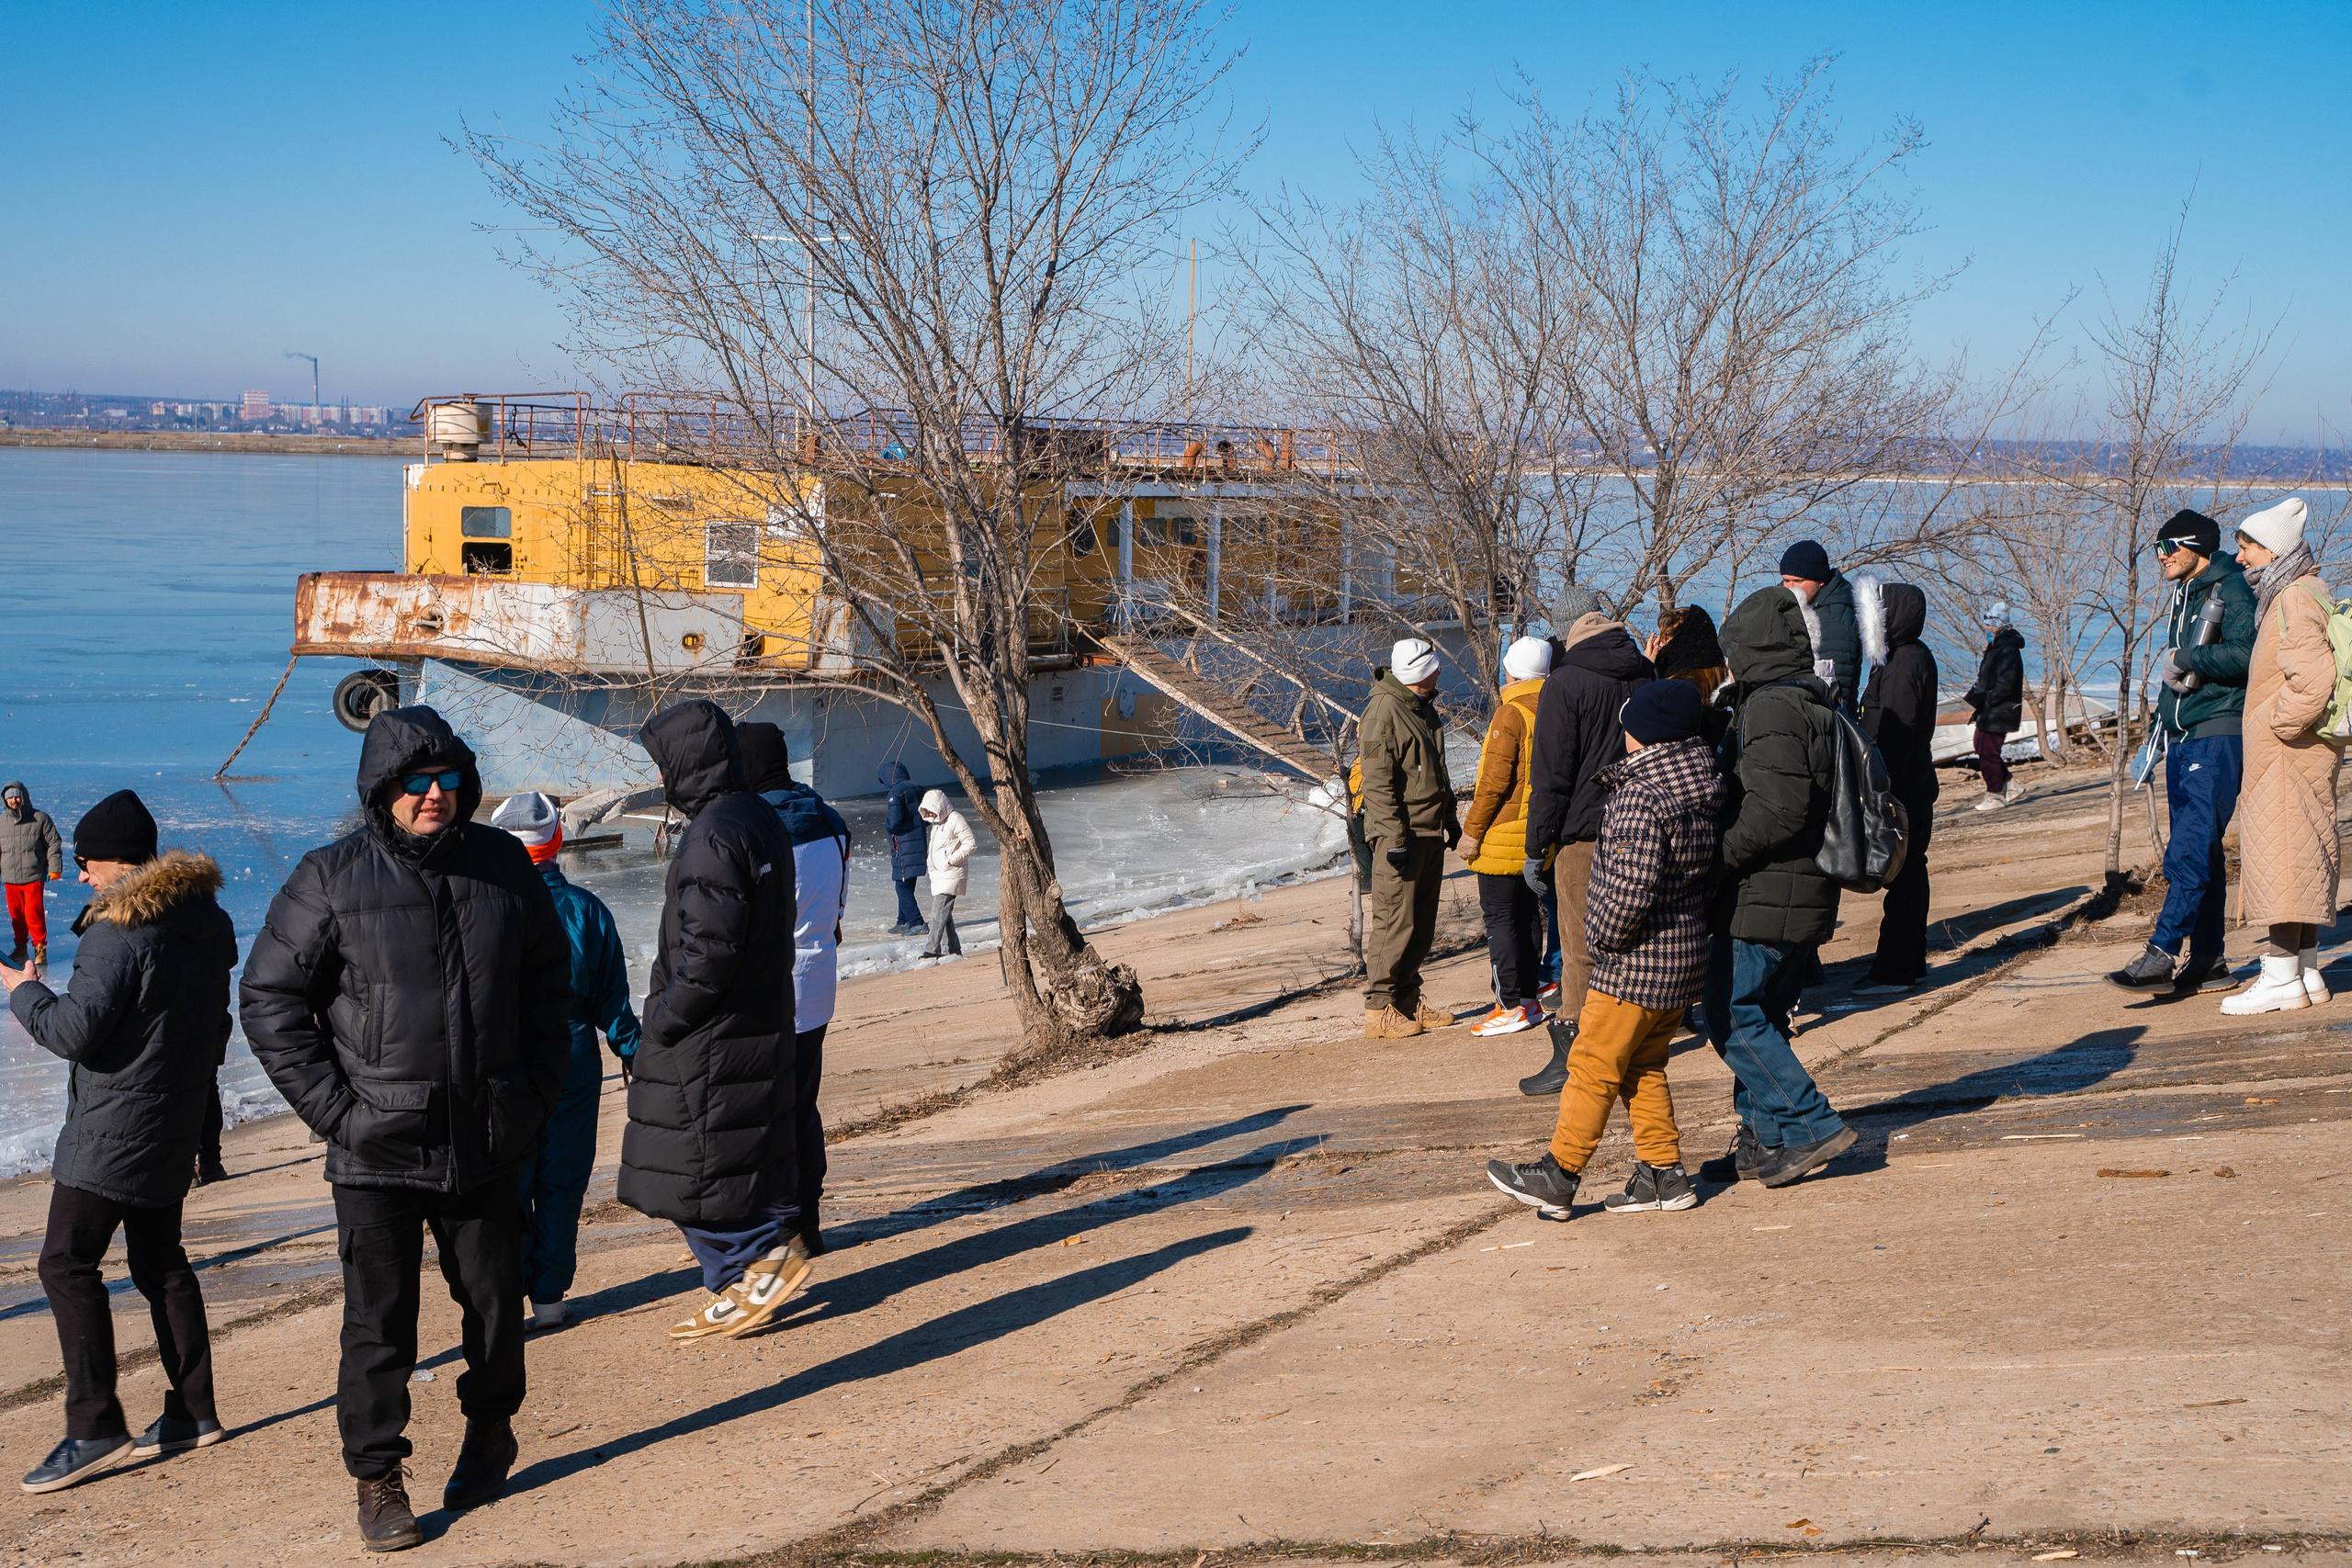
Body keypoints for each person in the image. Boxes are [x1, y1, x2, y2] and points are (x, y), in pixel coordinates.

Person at [240, 705, 572, 1551]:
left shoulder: (502, 865)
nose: (434, 795)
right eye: (416, 783)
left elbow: (547, 983)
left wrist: (531, 1091)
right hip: (376, 1151)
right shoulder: (330, 878)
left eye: (448, 779)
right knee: (379, 1323)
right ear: (381, 791)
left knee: (497, 1311)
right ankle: (378, 1477)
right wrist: (339, 1113)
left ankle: (491, 1429)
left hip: (488, 1140)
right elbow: (269, 998)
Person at [1, 791, 235, 1495]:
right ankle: (195, 1410)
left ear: (119, 861)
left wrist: (23, 991)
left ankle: (95, 1424)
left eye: (86, 863)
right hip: (173, 1119)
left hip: (115, 1129)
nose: (80, 877)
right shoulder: (205, 920)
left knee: (65, 1263)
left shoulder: (118, 931)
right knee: (161, 1262)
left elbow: (74, 1033)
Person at [1487, 681, 1726, 1218]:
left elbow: (1629, 889)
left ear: (1646, 734)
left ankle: (1559, 1172)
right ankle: (1663, 1176)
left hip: (1636, 962)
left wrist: (1602, 940)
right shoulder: (1701, 781)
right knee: (1643, 1066)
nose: (1622, 736)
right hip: (1683, 954)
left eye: (1627, 727)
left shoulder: (1642, 794)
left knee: (1592, 1065)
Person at [622, 700, 813, 1343]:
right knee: (728, 1151)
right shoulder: (755, 816)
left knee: (683, 1159)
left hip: (711, 1026)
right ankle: (740, 1274)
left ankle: (753, 1260)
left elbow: (709, 951)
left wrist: (664, 1016)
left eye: (663, 763)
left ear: (684, 763)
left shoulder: (712, 833)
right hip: (757, 1012)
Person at [1692, 587, 1857, 1190]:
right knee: (1758, 1013)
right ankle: (1765, 1137)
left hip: (1767, 892)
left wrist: (1715, 859)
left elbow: (1778, 810)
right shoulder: (1810, 700)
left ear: (1751, 648)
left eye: (1732, 652)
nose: (1728, 664)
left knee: (1729, 1014)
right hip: (1799, 888)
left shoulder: (1772, 708)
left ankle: (1811, 1124)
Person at [487, 791, 639, 1334]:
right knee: (562, 1180)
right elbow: (613, 1003)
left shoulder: (484, 911)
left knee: (510, 1182)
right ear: (556, 842)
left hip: (503, 1062)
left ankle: (504, 1297)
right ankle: (548, 1299)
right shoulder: (588, 910)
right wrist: (633, 1051)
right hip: (573, 1057)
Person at [2108, 510, 2256, 996]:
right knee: (2205, 854)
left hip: (2217, 736)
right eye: (2156, 549)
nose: (2161, 558)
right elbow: (2175, 686)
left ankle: (2163, 951)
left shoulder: (2229, 588)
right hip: (2184, 736)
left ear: (2196, 547)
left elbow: (2244, 655)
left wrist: (2183, 658)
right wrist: (2156, 733)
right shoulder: (2187, 593)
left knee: (2190, 848)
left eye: (2168, 548)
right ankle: (2210, 960)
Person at [1521, 605, 1654, 1083]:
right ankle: (1636, 1037)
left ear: (1572, 642)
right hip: (1646, 824)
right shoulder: (1647, 672)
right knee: (1639, 936)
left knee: (1580, 943)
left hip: (1586, 831)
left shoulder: (1566, 682)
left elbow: (1552, 774)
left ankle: (1576, 1056)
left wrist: (1537, 846)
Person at [2217, 499, 2339, 1016]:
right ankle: (2306, 971)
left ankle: (2280, 976)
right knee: (2302, 855)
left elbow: (2313, 681)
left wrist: (2276, 725)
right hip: (2298, 754)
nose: (2240, 557)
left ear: (2276, 550)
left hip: (2288, 753)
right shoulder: (2306, 589)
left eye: (2248, 547)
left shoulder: (2291, 596)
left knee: (2284, 859)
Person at [741, 723, 850, 1254]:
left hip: (768, 989)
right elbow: (838, 911)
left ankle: (779, 1226)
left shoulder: (754, 827)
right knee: (803, 1105)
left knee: (766, 1111)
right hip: (819, 980)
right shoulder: (829, 820)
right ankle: (808, 1220)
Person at [1358, 637, 1461, 1038]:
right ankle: (1379, 1009)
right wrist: (1394, 838)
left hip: (1429, 830)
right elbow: (1378, 784)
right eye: (1435, 667)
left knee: (1419, 924)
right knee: (1393, 922)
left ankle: (1406, 1000)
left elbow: (1437, 769)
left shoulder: (1422, 708)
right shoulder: (1384, 712)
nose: (1440, 672)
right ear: (1420, 672)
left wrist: (1449, 816)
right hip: (1400, 835)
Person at [1461, 637, 1554, 1039]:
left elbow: (1493, 784)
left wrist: (1471, 832)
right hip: (1539, 830)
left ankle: (1510, 1004)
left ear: (1511, 672)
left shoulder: (1509, 713)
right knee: (1527, 913)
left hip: (1503, 832)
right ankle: (1530, 999)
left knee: (1500, 918)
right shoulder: (1555, 707)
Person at [1854, 583, 1941, 995]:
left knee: (1904, 877)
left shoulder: (1905, 664)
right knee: (1909, 874)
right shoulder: (1905, 657)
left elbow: (1895, 735)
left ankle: (1894, 971)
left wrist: (1882, 792)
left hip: (1902, 789)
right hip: (1911, 785)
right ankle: (1912, 962)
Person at [1778, 540, 1861, 712]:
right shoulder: (1791, 606)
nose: (1790, 587)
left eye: (1798, 581)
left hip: (1822, 721)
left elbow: (1836, 689)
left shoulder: (1835, 621)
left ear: (1820, 581)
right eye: (1786, 580)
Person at [1962, 604, 2027, 811]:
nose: (1988, 627)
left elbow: (2006, 684)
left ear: (2002, 625)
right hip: (1990, 708)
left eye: (1993, 623)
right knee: (1980, 744)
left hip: (2000, 709)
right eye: (1987, 622)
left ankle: (1995, 795)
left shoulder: (2008, 650)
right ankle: (2010, 784)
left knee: (1988, 752)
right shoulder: (1995, 648)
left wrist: (1989, 699)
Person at [1, 780, 65, 968]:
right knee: (16, 914)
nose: (14, 800)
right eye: (10, 797)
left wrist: (55, 868)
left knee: (34, 913)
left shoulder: (40, 818)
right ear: (5, 800)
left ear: (24, 797)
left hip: (33, 875)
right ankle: (20, 948)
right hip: (10, 877)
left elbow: (54, 843)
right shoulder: (1, 823)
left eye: (16, 796)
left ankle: (40, 948)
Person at [917, 789, 976, 960]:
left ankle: (932, 950)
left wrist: (950, 860)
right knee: (945, 914)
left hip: (952, 873)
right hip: (940, 874)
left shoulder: (955, 819)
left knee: (938, 912)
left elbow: (970, 843)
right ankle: (954, 949)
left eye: (931, 810)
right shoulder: (937, 824)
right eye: (926, 812)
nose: (929, 815)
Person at [878, 761, 929, 935]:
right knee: (907, 881)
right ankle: (903, 920)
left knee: (901, 885)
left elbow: (894, 821)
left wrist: (886, 825)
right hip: (919, 842)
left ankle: (917, 922)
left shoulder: (895, 792)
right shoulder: (918, 787)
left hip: (903, 845)